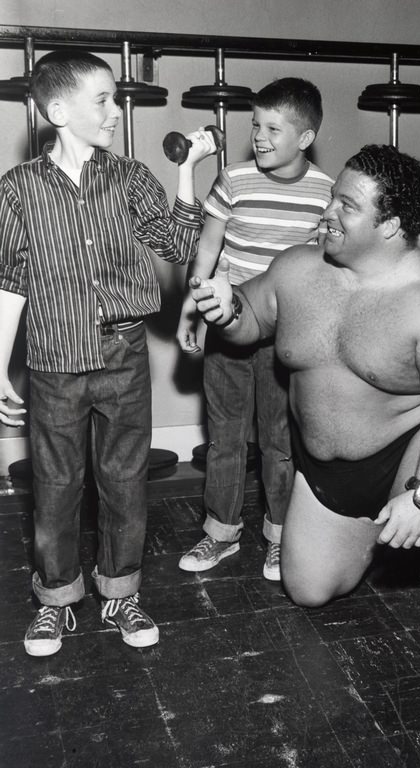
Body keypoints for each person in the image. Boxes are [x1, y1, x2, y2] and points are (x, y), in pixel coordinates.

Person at [190, 144, 420, 660]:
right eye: (332, 198)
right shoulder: (298, 268)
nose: (327, 213)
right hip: (326, 471)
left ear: (390, 226)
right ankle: (379, 538)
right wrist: (226, 310)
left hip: (408, 449)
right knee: (309, 591)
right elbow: (252, 317)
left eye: (346, 206)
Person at [0, 49, 217, 656]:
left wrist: (186, 172)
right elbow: (9, 283)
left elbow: (177, 246)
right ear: (57, 109)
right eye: (104, 99)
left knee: (123, 482)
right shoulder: (18, 189)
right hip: (52, 363)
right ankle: (56, 599)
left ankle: (120, 593)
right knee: (56, 484)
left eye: (115, 98)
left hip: (123, 356)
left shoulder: (128, 177)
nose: (116, 111)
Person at [176, 78, 333, 581]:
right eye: (255, 125)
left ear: (305, 137)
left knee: (280, 441)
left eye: (272, 128)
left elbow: (328, 269)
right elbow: (207, 248)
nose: (259, 136)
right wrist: (191, 306)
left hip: (288, 335)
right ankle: (220, 533)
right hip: (228, 323)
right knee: (225, 439)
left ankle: (279, 536)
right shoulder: (234, 179)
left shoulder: (326, 193)